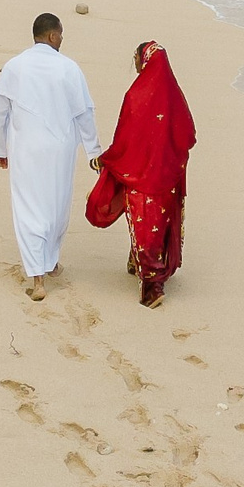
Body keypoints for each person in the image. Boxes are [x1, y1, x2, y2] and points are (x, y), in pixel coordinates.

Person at [0, 13, 100, 300]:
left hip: (25, 148)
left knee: (28, 207)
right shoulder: (69, 68)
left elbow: (0, 111)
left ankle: (41, 275)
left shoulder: (14, 66)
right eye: (61, 35)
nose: (62, 40)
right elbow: (84, 113)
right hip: (60, 149)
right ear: (52, 36)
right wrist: (94, 150)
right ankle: (47, 261)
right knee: (57, 204)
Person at [85, 40, 197, 308]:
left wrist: (108, 159)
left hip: (141, 175)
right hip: (168, 177)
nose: (134, 64)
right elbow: (188, 136)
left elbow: (126, 137)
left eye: (135, 58)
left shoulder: (136, 95)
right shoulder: (175, 97)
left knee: (144, 224)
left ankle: (152, 288)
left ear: (144, 61)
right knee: (159, 224)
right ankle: (137, 264)